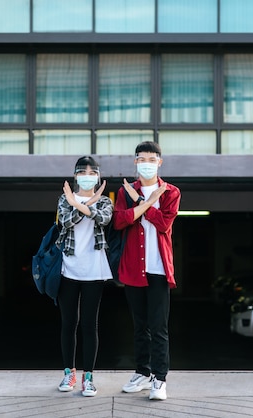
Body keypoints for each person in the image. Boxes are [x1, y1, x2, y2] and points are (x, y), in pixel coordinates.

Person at [113, 141, 181, 401]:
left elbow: (164, 223)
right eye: (142, 159)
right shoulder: (124, 191)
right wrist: (140, 202)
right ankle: (142, 372)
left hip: (159, 269)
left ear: (159, 162)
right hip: (133, 269)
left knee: (159, 327)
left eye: (151, 159)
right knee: (139, 326)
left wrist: (141, 203)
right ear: (135, 162)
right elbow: (119, 221)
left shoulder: (171, 192)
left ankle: (159, 379)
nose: (146, 163)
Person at [55, 156, 114, 397]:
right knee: (69, 323)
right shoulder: (63, 199)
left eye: (92, 172)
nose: (87, 175)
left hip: (95, 271)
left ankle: (88, 377)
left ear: (98, 176)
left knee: (90, 324)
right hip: (68, 269)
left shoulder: (106, 202)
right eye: (83, 172)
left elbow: (104, 219)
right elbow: (66, 222)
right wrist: (86, 204)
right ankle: (69, 372)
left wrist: (78, 203)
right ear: (76, 175)